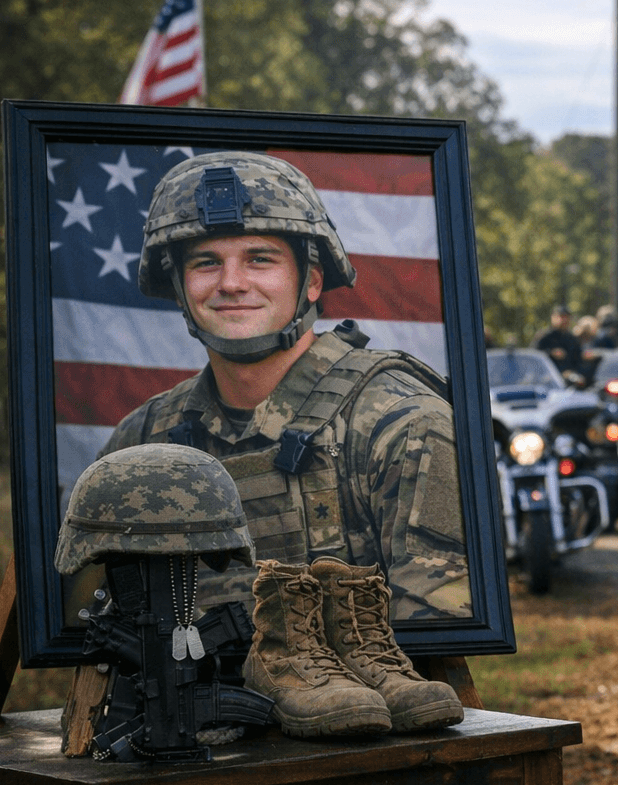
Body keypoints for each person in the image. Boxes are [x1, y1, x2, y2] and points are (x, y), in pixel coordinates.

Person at [98, 150, 472, 623]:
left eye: (260, 259)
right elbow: (98, 629)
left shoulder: (404, 426)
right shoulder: (142, 443)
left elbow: (438, 636)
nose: (231, 283)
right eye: (206, 262)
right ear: (179, 287)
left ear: (312, 281)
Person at [533, 304, 584, 377]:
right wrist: (550, 353)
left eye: (567, 317)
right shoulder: (543, 336)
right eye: (561, 317)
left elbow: (578, 359)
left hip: (569, 378)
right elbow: (534, 355)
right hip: (547, 377)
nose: (564, 320)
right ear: (553, 318)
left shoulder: (572, 339)